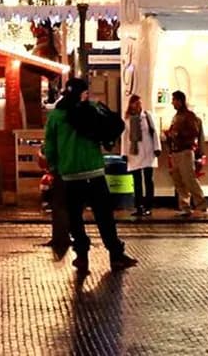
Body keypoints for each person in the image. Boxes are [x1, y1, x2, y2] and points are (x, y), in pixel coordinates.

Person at [44, 78, 137, 275]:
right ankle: (116, 255)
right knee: (104, 217)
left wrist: (55, 168)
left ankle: (82, 256)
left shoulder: (56, 116)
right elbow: (112, 126)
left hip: (70, 175)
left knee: (75, 219)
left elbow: (50, 146)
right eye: (85, 92)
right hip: (94, 172)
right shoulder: (92, 108)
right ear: (82, 93)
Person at [164, 91, 208, 216]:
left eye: (174, 100)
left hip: (185, 151)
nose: (172, 102)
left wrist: (177, 134)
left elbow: (194, 132)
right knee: (178, 180)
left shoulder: (188, 116)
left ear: (180, 101)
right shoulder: (177, 116)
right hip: (176, 151)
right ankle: (185, 206)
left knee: (189, 179)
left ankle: (202, 205)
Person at [122, 94, 161, 217]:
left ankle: (148, 206)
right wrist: (124, 153)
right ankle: (138, 206)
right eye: (136, 103)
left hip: (147, 151)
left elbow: (154, 132)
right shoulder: (127, 119)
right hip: (134, 153)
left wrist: (157, 148)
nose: (138, 105)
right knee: (137, 181)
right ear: (131, 104)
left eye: (139, 103)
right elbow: (125, 137)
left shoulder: (147, 116)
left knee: (148, 180)